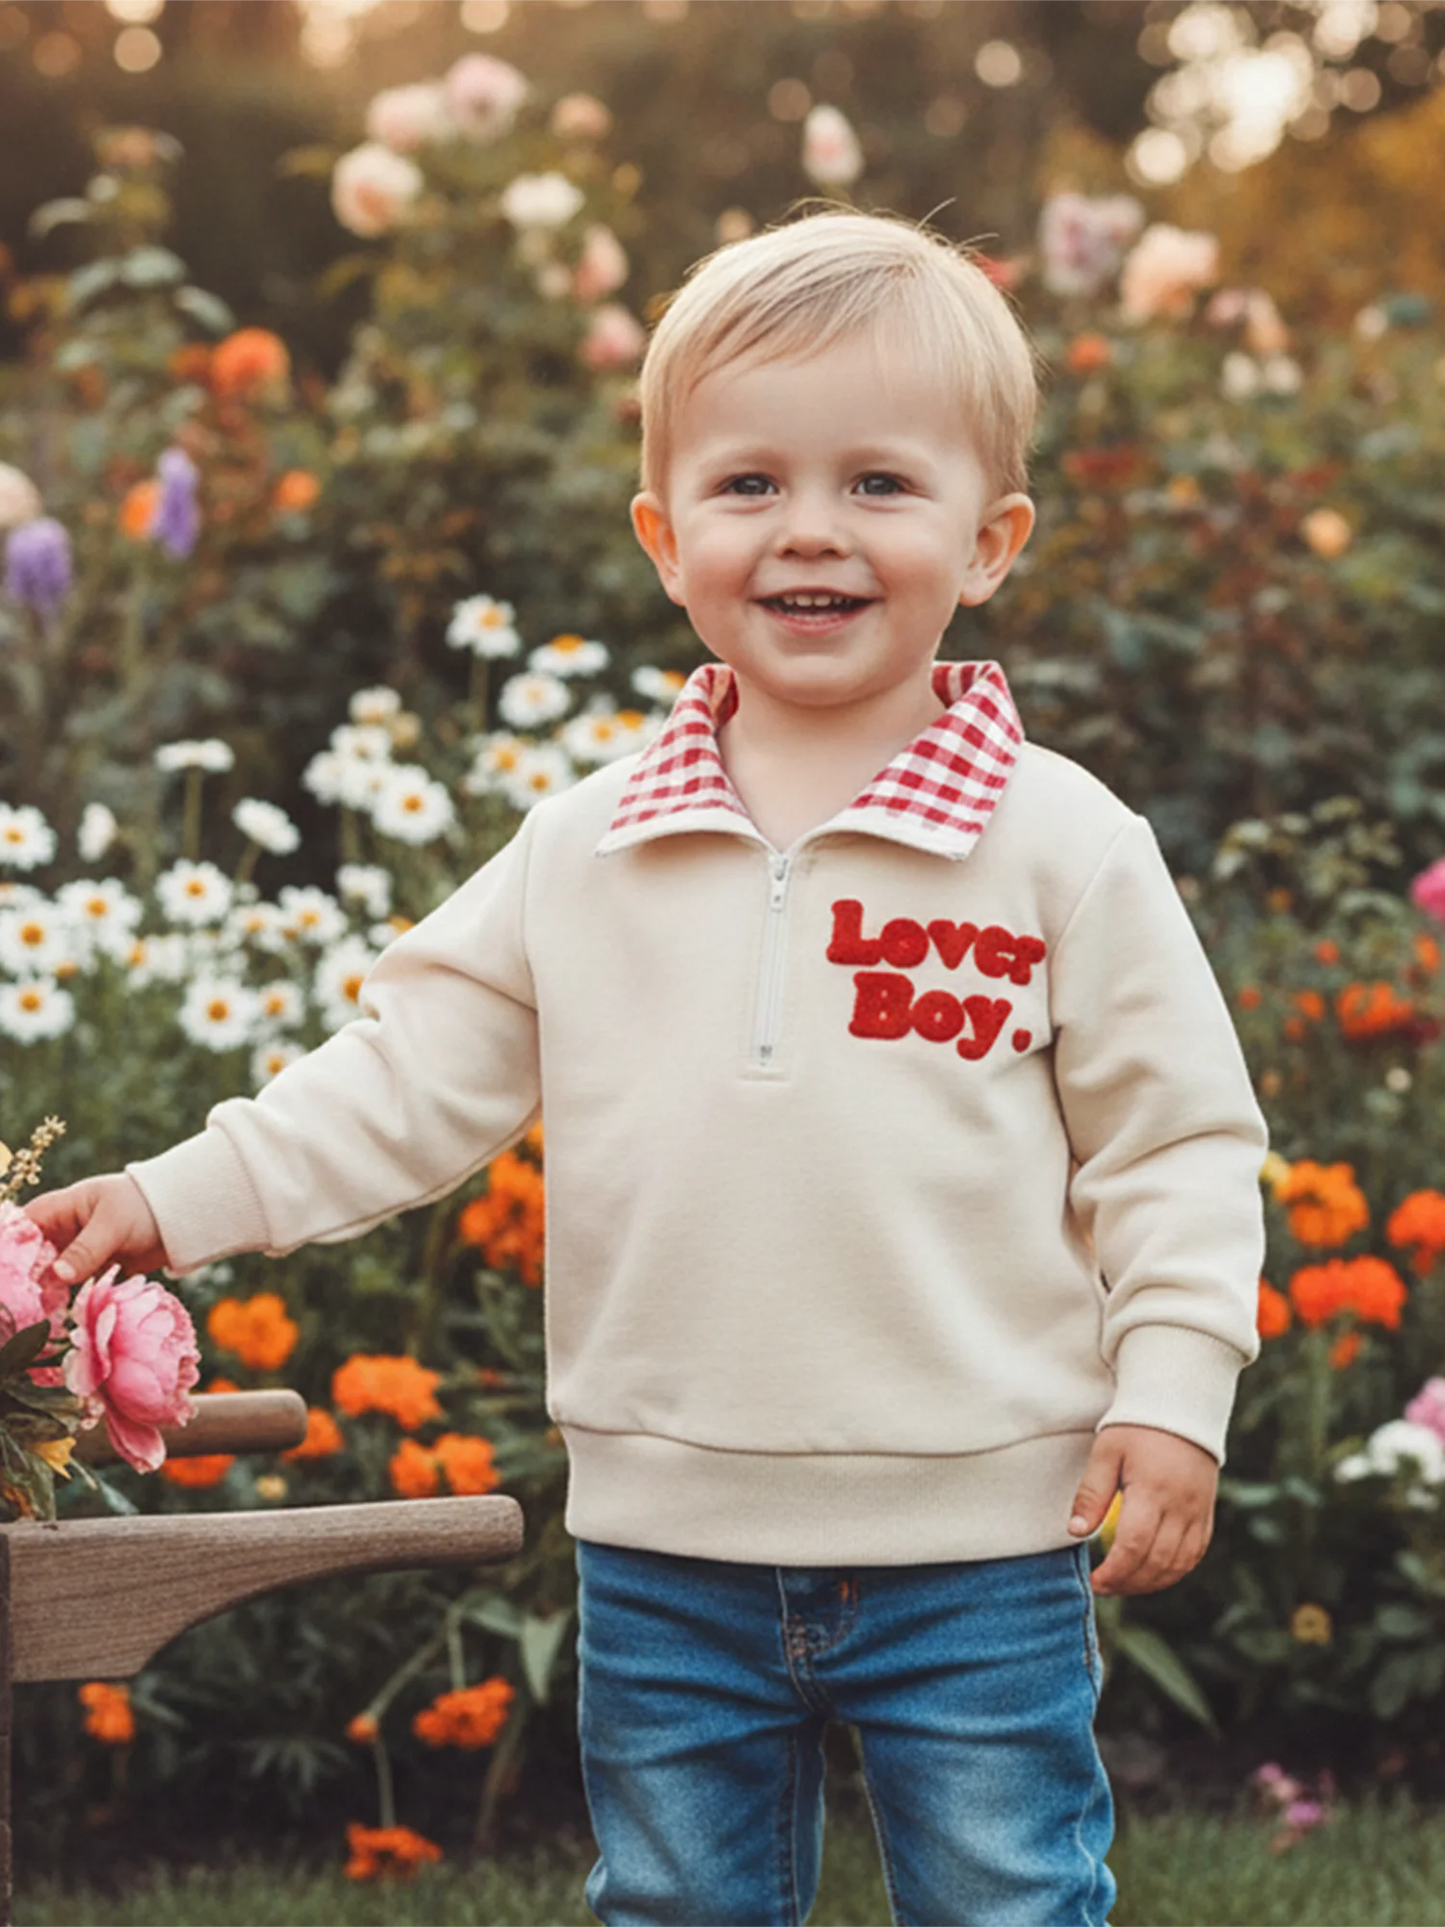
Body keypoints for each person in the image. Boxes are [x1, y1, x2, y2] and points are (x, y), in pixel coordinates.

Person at [25, 206, 1267, 1926]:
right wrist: (175, 1199)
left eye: (878, 486)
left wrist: (1172, 1393)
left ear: (991, 539)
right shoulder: (586, 846)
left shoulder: (1063, 845)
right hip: (666, 1539)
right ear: (662, 537)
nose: (810, 530)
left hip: (987, 1532)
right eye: (750, 484)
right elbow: (403, 1079)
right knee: (677, 1903)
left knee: (1008, 1900)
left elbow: (1179, 1146)